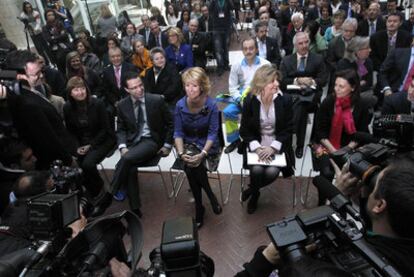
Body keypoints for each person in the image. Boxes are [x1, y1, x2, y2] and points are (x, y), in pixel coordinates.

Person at [109, 72, 173, 218]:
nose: (139, 90)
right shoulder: (122, 105)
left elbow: (171, 123)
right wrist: (123, 147)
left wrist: (168, 145)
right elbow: (121, 130)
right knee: (130, 167)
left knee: (125, 160)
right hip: (132, 144)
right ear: (127, 90)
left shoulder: (156, 100)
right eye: (134, 88)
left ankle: (111, 192)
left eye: (140, 86)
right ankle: (135, 208)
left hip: (151, 141)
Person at [5, 50, 76, 169]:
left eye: (41, 71)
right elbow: (48, 139)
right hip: (59, 161)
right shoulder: (27, 104)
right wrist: (68, 160)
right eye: (36, 74)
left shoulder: (31, 89)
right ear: (19, 76)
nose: (41, 76)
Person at [239, 64, 294, 214]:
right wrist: (257, 147)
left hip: (277, 146)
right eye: (272, 81)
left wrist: (273, 147)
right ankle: (255, 195)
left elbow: (289, 129)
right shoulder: (250, 100)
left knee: (271, 172)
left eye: (277, 80)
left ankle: (251, 190)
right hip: (257, 145)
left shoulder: (286, 100)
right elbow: (244, 130)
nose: (277, 84)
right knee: (256, 170)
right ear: (261, 83)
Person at [174, 67, 222, 228]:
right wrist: (181, 153)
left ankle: (200, 208)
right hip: (188, 145)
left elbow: (213, 132)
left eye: (194, 85)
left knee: (195, 166)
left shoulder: (212, 105)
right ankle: (209, 196)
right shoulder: (180, 105)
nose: (190, 89)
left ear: (202, 86)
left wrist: (203, 153)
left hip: (209, 146)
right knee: (190, 165)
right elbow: (178, 132)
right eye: (187, 85)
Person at [63, 77, 115, 217]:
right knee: (76, 167)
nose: (80, 92)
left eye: (82, 88)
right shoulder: (67, 107)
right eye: (76, 90)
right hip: (81, 143)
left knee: (88, 164)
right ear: (70, 93)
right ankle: (91, 196)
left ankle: (101, 193)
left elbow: (106, 130)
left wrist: (91, 145)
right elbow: (70, 131)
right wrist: (76, 147)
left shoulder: (97, 104)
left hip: (102, 140)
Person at [313, 69, 372, 191]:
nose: (336, 89)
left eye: (341, 86)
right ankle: (323, 202)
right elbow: (320, 131)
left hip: (350, 146)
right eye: (335, 85)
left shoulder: (361, 105)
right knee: (327, 172)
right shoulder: (329, 101)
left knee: (354, 172)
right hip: (324, 144)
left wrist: (347, 149)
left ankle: (345, 199)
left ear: (353, 88)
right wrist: (334, 151)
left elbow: (362, 133)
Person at [280, 32, 328, 159]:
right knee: (300, 106)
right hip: (292, 94)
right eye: (300, 43)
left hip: (311, 95)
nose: (304, 45)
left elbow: (323, 79)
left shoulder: (317, 59)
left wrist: (311, 81)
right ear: (295, 45)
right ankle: (299, 144)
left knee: (301, 106)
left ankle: (290, 139)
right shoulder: (286, 60)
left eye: (306, 42)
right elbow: (281, 82)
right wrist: (297, 81)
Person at [222, 38, 270, 154]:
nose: (248, 51)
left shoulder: (265, 64)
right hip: (242, 96)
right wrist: (239, 99)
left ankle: (254, 139)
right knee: (228, 112)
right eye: (245, 49)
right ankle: (234, 140)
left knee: (253, 115)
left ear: (257, 49)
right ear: (242, 51)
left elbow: (269, 85)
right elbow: (232, 87)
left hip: (260, 96)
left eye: (251, 48)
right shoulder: (236, 65)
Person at [337, 36, 375, 106]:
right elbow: (344, 86)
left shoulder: (368, 61)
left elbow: (369, 83)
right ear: (357, 51)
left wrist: (357, 84)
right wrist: (359, 83)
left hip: (363, 92)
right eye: (367, 48)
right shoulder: (344, 63)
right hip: (345, 95)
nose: (370, 50)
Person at [101, 47, 139, 113]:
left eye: (118, 56)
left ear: (122, 56)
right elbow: (106, 90)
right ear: (109, 58)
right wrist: (115, 102)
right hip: (114, 102)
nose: (116, 58)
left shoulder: (131, 68)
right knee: (108, 112)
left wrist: (125, 102)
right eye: (113, 57)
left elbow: (135, 86)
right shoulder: (106, 71)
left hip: (130, 99)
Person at [41, 9, 71, 73]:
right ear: (46, 17)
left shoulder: (60, 24)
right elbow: (49, 39)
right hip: (55, 52)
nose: (51, 16)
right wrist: (59, 36)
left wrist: (54, 37)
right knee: (61, 69)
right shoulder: (45, 28)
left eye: (52, 14)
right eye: (49, 15)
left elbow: (65, 35)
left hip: (66, 48)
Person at [209, 0, 234, 76]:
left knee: (226, 47)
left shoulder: (227, 1)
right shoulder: (214, 2)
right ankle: (220, 66)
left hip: (226, 27)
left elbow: (232, 8)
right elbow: (210, 9)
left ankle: (226, 64)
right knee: (218, 49)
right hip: (216, 28)